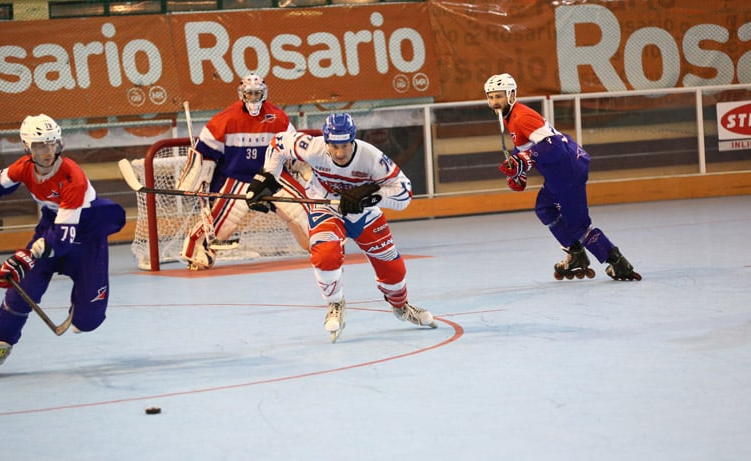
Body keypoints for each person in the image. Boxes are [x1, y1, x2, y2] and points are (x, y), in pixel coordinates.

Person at [0, 114, 126, 379]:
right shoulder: (23, 167)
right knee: (20, 290)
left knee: (87, 322)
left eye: (52, 143)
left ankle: (82, 305)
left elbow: (64, 238)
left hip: (85, 235)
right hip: (51, 228)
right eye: (39, 145)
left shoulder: (73, 179)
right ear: (26, 147)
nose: (47, 152)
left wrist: (25, 256)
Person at [246, 113, 438, 343]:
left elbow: (404, 193)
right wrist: (267, 176)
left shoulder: (372, 158)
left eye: (345, 145)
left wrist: (372, 197)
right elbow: (279, 142)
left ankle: (400, 306)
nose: (339, 152)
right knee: (325, 255)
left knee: (393, 269)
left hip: (364, 213)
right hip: (325, 205)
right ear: (326, 140)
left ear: (353, 140)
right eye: (334, 146)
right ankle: (335, 303)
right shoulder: (312, 147)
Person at [484, 73, 641, 281]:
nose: (495, 102)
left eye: (499, 96)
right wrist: (518, 167)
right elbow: (525, 145)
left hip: (565, 171)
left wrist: (524, 161)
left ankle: (617, 262)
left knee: (579, 225)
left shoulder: (521, 116)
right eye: (491, 97)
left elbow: (553, 147)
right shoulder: (510, 117)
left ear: (511, 95)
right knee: (544, 208)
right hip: (561, 169)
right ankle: (575, 253)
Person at [176, 73, 310, 270]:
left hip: (272, 176)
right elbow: (204, 153)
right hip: (238, 177)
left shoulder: (278, 117)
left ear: (264, 94)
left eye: (257, 94)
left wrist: (303, 165)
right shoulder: (224, 119)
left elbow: (292, 147)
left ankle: (322, 243)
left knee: (302, 209)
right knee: (221, 224)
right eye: (250, 94)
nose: (253, 99)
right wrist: (198, 176)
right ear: (242, 94)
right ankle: (196, 252)